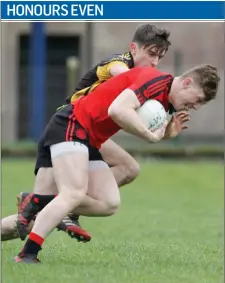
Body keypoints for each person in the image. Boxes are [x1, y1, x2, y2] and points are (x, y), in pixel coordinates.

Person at [14, 64, 220, 263]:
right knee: (73, 194)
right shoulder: (154, 80)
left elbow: (140, 123)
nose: (196, 106)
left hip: (89, 139)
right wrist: (150, 135)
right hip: (72, 124)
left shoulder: (166, 103)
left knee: (109, 203)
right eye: (198, 99)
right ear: (187, 82)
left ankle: (38, 201)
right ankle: (27, 255)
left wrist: (166, 134)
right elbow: (118, 110)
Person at [1, 23, 174, 242]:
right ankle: (58, 203)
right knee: (32, 219)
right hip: (68, 128)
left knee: (128, 168)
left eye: (159, 57)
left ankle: (65, 206)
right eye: (151, 54)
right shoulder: (118, 63)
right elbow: (123, 78)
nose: (154, 62)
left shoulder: (142, 78)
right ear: (133, 48)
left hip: (86, 135)